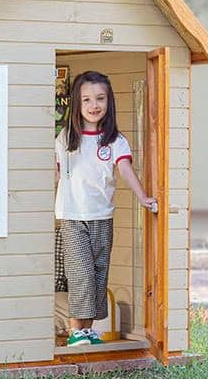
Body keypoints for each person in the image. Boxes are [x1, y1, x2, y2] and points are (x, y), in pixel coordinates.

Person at [55, 71, 156, 347]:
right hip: (72, 216)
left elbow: (125, 170)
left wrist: (144, 198)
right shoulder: (66, 138)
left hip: (102, 216)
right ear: (77, 104)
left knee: (99, 272)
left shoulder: (114, 140)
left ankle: (86, 330)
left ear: (109, 102)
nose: (93, 105)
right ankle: (76, 330)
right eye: (86, 99)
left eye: (100, 98)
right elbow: (55, 173)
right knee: (81, 273)